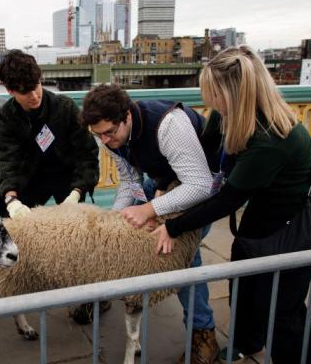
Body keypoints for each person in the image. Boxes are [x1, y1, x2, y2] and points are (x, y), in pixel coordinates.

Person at [153, 46, 311, 364]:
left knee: (283, 309)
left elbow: (228, 199)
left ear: (235, 93)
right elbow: (203, 152)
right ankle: (247, 343)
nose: (209, 101)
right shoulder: (227, 116)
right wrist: (163, 184)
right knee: (244, 281)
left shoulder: (271, 138)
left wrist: (173, 225)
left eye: (214, 93)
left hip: (302, 218)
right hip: (266, 212)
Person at [81, 83, 219, 364]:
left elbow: (201, 185)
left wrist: (150, 208)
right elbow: (131, 181)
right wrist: (115, 221)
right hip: (164, 181)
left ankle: (204, 334)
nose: (105, 141)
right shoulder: (109, 135)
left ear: (127, 117)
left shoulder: (168, 125)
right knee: (113, 231)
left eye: (110, 133)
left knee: (183, 259)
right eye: (99, 135)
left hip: (205, 183)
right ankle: (111, 287)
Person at [0, 49, 100, 217]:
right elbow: (8, 159)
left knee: (73, 224)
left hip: (66, 175)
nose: (34, 96)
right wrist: (11, 199)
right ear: (10, 91)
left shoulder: (66, 107)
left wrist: (77, 192)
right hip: (32, 175)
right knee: (7, 202)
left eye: (36, 86)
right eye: (25, 92)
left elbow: (87, 154)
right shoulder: (8, 114)